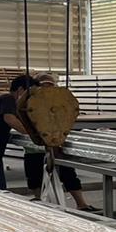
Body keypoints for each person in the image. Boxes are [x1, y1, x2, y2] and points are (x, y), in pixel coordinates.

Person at [23, 72, 97, 211]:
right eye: (44, 85)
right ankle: (41, 203)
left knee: (68, 173)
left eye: (51, 85)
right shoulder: (32, 100)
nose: (48, 89)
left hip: (57, 141)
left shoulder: (59, 100)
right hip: (35, 146)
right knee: (35, 176)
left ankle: (81, 204)